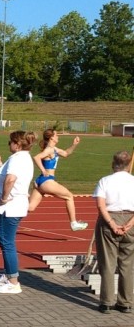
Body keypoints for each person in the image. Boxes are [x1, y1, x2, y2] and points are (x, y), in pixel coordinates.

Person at [0, 130, 37, 294]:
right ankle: (8, 275)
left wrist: (3, 198)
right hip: (14, 206)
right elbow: (6, 175)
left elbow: (10, 179)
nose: (8, 144)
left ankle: (13, 282)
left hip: (8, 208)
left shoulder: (18, 159)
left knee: (7, 243)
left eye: (10, 142)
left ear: (17, 144)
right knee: (6, 243)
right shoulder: (23, 157)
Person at [93, 150, 134, 314]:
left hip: (109, 218)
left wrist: (111, 223)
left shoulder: (105, 181)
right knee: (128, 264)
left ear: (113, 164)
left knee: (108, 264)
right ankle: (125, 302)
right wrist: (130, 224)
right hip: (130, 219)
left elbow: (100, 205)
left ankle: (107, 302)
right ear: (128, 164)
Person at [28, 129, 88, 231]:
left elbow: (66, 153)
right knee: (69, 196)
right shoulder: (49, 150)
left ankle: (8, 209)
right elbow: (36, 157)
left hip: (40, 181)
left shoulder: (54, 149)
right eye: (56, 135)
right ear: (51, 137)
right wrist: (43, 170)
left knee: (30, 208)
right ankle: (74, 223)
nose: (58, 136)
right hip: (47, 181)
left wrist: (74, 144)